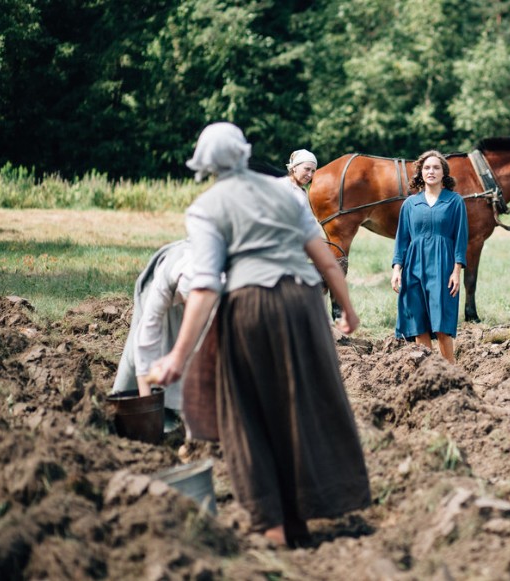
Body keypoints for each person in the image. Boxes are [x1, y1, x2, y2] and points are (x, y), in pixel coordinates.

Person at [149, 122, 370, 548]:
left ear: (204, 165)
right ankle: (305, 513)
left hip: (249, 307)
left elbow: (207, 285)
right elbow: (323, 256)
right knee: (303, 405)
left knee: (247, 414)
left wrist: (177, 355)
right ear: (245, 153)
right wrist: (348, 308)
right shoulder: (282, 192)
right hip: (303, 304)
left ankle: (270, 522)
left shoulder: (207, 207)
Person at [390, 150, 469, 363]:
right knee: (419, 324)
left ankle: (451, 373)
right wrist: (397, 269)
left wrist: (456, 271)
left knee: (442, 324)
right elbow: (402, 239)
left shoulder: (455, 202)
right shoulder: (410, 204)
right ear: (420, 173)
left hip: (443, 268)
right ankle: (426, 373)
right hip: (414, 268)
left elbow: (461, 239)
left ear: (444, 173)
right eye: (426, 168)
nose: (431, 171)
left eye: (436, 167)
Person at [112, 239, 193, 431]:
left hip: (212, 284)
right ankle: (121, 412)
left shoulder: (224, 288)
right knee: (137, 351)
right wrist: (148, 409)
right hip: (165, 282)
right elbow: (144, 344)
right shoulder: (162, 283)